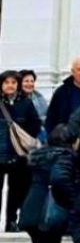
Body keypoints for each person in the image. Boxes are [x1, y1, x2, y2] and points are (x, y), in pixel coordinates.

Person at [19, 124, 78, 243]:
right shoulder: (65, 155)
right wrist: (72, 204)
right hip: (47, 214)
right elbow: (60, 180)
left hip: (32, 211)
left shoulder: (39, 155)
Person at [0, 69, 42, 230]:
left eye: (13, 82)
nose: (10, 86)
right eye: (6, 82)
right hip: (0, 152)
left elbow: (35, 125)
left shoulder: (26, 103)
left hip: (18, 154)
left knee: (17, 190)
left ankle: (11, 221)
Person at [46, 56, 80, 133]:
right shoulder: (61, 92)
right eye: (79, 69)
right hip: (67, 140)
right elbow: (51, 119)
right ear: (73, 72)